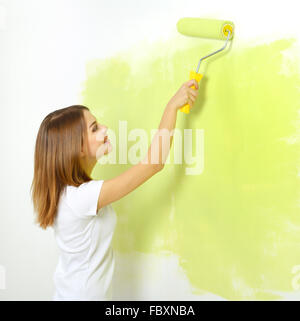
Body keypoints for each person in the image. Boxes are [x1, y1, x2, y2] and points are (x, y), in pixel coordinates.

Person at [30, 79, 199, 301]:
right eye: (95, 129)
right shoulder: (81, 197)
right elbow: (154, 163)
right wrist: (172, 107)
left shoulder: (70, 193)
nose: (105, 129)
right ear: (77, 147)